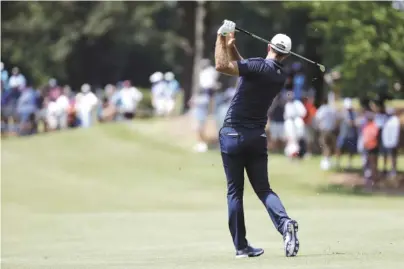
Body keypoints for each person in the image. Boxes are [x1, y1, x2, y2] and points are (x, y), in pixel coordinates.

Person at [214, 20, 299, 258]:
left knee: (234, 192)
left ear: (268, 47)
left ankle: (241, 246)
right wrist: (232, 45)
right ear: (286, 55)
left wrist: (220, 37)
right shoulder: (278, 75)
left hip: (233, 134)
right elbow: (244, 67)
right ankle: (285, 225)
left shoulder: (258, 66)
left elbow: (222, 66)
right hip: (257, 137)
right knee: (263, 189)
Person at [315, 98, 337, 170]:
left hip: (324, 130)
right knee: (330, 146)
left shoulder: (322, 109)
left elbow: (318, 119)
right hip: (331, 130)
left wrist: (318, 127)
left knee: (325, 145)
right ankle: (328, 160)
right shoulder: (331, 109)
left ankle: (326, 161)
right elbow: (336, 118)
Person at [335, 98, 358, 169]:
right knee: (339, 148)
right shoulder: (342, 113)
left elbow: (354, 123)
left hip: (351, 135)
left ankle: (349, 163)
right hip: (343, 134)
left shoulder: (354, 113)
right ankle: (337, 163)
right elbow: (337, 122)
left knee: (350, 150)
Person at [283, 91, 306, 158]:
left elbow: (303, 112)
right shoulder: (287, 104)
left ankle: (299, 153)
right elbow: (286, 115)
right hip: (289, 122)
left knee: (298, 138)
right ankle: (291, 153)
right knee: (290, 138)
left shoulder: (297, 103)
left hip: (297, 121)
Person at [362, 112, 380, 186]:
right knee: (371, 164)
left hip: (371, 147)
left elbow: (372, 136)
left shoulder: (371, 126)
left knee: (371, 164)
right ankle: (370, 179)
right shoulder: (370, 126)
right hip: (370, 147)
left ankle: (372, 180)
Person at [381, 108, 400, 178]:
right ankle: (385, 169)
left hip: (392, 142)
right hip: (386, 141)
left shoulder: (395, 120)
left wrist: (395, 141)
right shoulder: (385, 119)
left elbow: (396, 132)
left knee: (392, 156)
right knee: (385, 156)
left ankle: (393, 170)